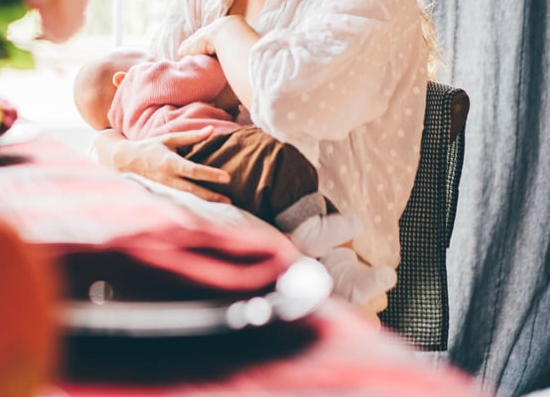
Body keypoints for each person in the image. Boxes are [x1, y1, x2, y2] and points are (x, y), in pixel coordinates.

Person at [92, 0, 431, 312]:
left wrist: (230, 33)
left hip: (322, 283)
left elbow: (288, 103)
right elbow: (146, 95)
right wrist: (121, 153)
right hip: (216, 253)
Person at [74, 48, 397, 308]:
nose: (158, 59)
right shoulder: (139, 82)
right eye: (145, 58)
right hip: (209, 146)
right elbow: (203, 78)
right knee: (279, 157)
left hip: (193, 167)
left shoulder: (128, 128)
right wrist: (212, 54)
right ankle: (317, 243)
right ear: (121, 78)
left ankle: (343, 274)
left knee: (296, 195)